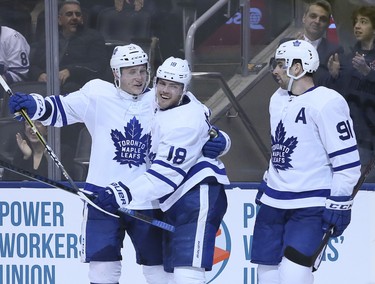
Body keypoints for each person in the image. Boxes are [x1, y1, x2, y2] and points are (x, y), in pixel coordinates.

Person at [8, 44, 230, 284]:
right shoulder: (97, 94)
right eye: (131, 71)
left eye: (143, 71)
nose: (139, 77)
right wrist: (33, 105)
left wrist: (222, 141)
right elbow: (59, 109)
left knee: (157, 270)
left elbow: (198, 123)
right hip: (102, 196)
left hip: (147, 198)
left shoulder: (160, 97)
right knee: (102, 268)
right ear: (116, 73)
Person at [92, 56, 229, 284]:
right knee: (170, 274)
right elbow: (206, 122)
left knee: (188, 272)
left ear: (183, 89)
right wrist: (222, 139)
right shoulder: (169, 103)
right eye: (162, 83)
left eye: (173, 86)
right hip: (175, 200)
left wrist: (120, 194)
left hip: (197, 196)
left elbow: (163, 177)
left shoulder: (184, 122)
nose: (165, 90)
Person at [251, 39, 361, 284]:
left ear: (297, 68)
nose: (275, 70)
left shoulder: (327, 102)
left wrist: (340, 201)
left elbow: (347, 161)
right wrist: (267, 181)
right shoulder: (276, 99)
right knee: (266, 274)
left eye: (281, 65)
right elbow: (279, 147)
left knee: (294, 274)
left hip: (311, 204)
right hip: (274, 200)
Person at [28, 0, 107, 94]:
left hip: (78, 88)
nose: (74, 17)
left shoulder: (94, 37)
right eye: (69, 14)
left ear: (82, 19)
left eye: (78, 14)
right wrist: (39, 75)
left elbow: (98, 66)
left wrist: (70, 71)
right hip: (46, 87)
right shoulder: (50, 38)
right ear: (59, 20)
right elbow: (33, 66)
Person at [337, 5, 375, 182]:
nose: (357, 26)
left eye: (364, 22)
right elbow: (341, 97)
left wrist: (369, 74)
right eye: (356, 22)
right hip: (355, 138)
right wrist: (334, 76)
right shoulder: (348, 58)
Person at [2, 120, 75, 181]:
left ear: (47, 130)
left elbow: (63, 184)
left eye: (38, 123)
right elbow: (11, 183)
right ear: (24, 130)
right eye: (28, 123)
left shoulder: (63, 152)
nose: (32, 127)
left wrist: (49, 160)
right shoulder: (21, 152)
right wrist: (26, 157)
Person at [296, 0, 344, 89]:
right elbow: (277, 74)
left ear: (328, 24)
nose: (317, 21)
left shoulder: (335, 51)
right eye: (313, 16)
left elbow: (338, 85)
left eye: (323, 19)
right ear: (304, 18)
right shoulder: (287, 44)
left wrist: (334, 76)